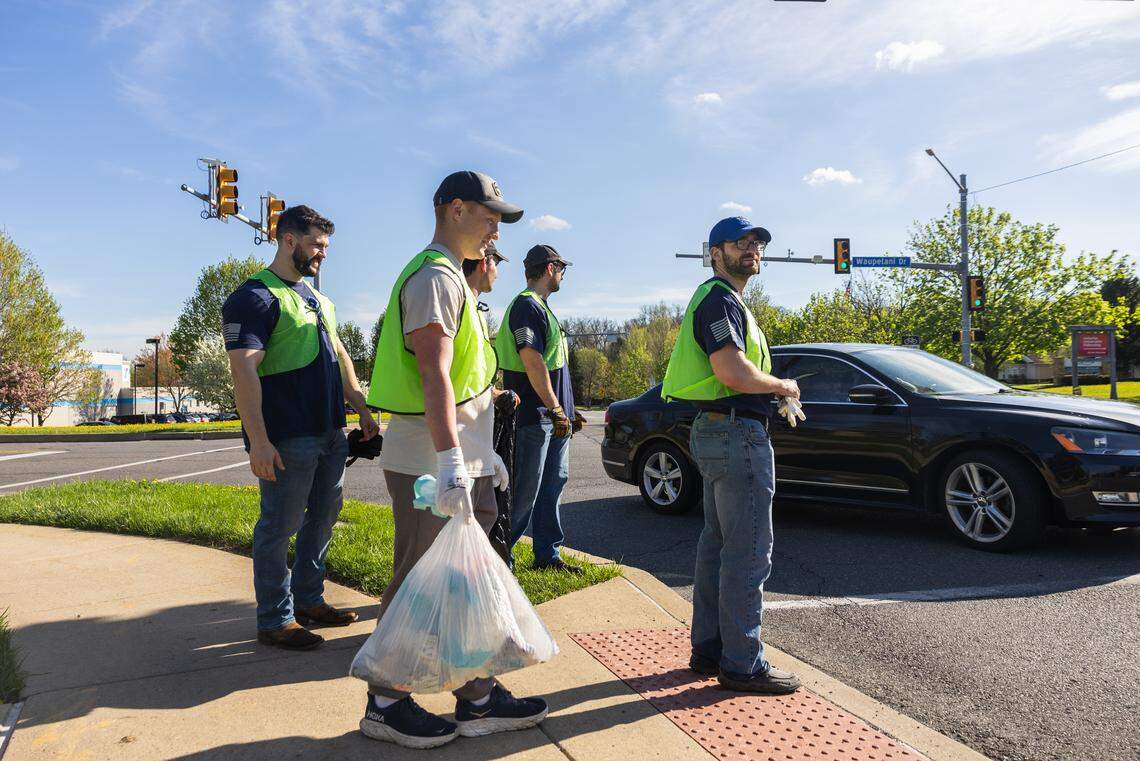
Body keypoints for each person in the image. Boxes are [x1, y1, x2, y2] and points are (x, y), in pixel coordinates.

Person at [360, 171, 547, 749]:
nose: (495, 230)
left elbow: (460, 378)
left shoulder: (454, 283)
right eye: (490, 217)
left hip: (460, 457)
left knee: (465, 586)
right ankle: (386, 702)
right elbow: (432, 373)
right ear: (455, 209)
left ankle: (477, 698)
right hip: (430, 460)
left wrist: (482, 448)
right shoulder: (436, 277)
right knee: (420, 578)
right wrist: (449, 463)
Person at [222, 205, 379, 651]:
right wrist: (259, 441)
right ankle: (274, 618)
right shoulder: (253, 298)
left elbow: (341, 356)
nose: (322, 254)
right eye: (316, 245)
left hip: (330, 431)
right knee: (279, 525)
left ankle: (310, 600)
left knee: (324, 517)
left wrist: (361, 408)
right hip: (288, 435)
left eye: (325, 246)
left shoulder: (316, 298)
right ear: (287, 239)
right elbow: (244, 374)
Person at [660, 216, 802, 694]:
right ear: (715, 252)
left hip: (718, 431)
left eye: (758, 243)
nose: (752, 249)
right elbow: (733, 372)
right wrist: (783, 385)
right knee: (748, 552)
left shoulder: (728, 300)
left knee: (718, 546)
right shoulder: (719, 299)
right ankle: (742, 664)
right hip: (737, 433)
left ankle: (710, 651)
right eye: (741, 243)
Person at [496, 244, 584, 573]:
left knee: (552, 485)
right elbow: (531, 361)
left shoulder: (543, 308)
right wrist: (555, 408)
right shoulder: (526, 306)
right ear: (550, 269)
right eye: (561, 268)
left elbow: (554, 367)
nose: (563, 274)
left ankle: (548, 555)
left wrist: (568, 410)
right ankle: (498, 559)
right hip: (534, 417)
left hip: (554, 417)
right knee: (523, 494)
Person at [462, 242, 520, 565]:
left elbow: (473, 375)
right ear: (485, 263)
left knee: (485, 515)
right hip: (463, 441)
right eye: (497, 264)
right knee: (461, 529)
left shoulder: (477, 310)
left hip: (479, 440)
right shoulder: (463, 307)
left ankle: (471, 593)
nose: (498, 274)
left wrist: (496, 394)